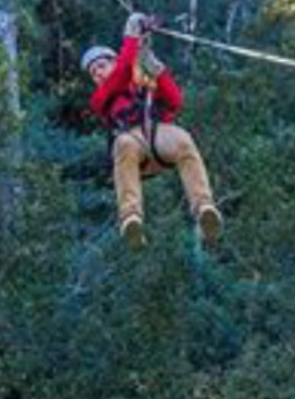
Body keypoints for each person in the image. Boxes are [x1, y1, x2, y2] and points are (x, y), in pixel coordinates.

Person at [82, 13, 221, 250]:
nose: (98, 75)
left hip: (157, 136)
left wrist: (157, 70)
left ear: (113, 62)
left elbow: (175, 102)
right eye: (93, 73)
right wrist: (131, 36)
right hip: (135, 147)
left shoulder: (140, 79)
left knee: (183, 139)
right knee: (123, 143)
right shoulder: (100, 98)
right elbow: (122, 72)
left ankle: (204, 207)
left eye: (101, 67)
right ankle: (131, 217)